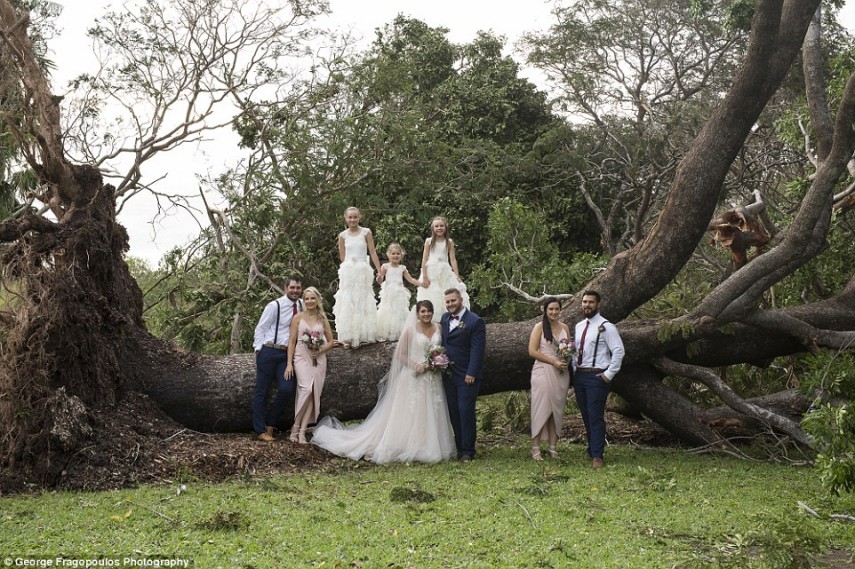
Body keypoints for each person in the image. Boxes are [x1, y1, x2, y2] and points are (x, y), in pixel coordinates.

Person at [311, 300, 457, 463]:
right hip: (413, 376)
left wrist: (438, 361)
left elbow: (441, 349)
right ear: (417, 313)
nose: (426, 314)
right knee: (412, 411)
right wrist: (416, 366)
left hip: (433, 377)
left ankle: (429, 444)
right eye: (423, 311)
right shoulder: (410, 330)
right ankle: (408, 444)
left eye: (429, 311)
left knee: (432, 409)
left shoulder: (439, 328)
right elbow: (400, 355)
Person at [572, 290, 625, 468]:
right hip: (580, 375)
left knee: (595, 416)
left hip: (597, 376)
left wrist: (609, 374)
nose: (587, 305)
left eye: (591, 302)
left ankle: (597, 456)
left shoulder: (607, 326)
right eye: (584, 302)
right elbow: (576, 351)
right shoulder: (579, 326)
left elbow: (618, 351)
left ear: (598, 305)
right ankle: (591, 448)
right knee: (586, 415)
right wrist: (573, 369)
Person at [251, 276, 303, 442]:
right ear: (285, 287)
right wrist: (259, 349)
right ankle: (260, 430)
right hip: (269, 351)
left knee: (287, 388)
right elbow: (261, 327)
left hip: (287, 355)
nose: (295, 291)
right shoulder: (275, 306)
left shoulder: (302, 305)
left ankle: (270, 424)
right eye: (292, 288)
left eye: (298, 288)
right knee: (262, 391)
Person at [285, 287, 338, 444]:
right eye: (306, 298)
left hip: (318, 358)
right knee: (306, 388)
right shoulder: (297, 318)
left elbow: (330, 341)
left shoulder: (322, 319)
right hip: (301, 356)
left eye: (312, 298)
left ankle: (302, 431)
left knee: (314, 393)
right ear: (303, 300)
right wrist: (289, 363)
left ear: (317, 300)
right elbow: (292, 342)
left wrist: (320, 350)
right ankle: (295, 426)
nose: (309, 301)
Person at [441, 287, 486, 461]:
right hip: (448, 374)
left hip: (467, 375)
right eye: (447, 302)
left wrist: (472, 372)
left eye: (453, 300)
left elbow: (478, 350)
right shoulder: (445, 319)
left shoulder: (475, 321)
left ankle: (468, 450)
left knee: (465, 411)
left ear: (461, 300)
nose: (450, 304)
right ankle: (459, 447)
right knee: (453, 412)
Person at [528, 297, 571, 461]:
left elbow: (568, 349)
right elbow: (532, 351)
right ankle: (536, 447)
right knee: (541, 408)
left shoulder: (565, 328)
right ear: (545, 311)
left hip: (561, 373)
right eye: (550, 309)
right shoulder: (539, 327)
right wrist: (553, 361)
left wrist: (566, 360)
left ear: (560, 310)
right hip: (543, 370)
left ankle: (553, 447)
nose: (554, 312)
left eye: (556, 309)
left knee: (556, 410)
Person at [332, 206, 382, 347]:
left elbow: (372, 252)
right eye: (350, 217)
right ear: (345, 218)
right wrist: (349, 266)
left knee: (362, 299)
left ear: (359, 218)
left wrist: (379, 271)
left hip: (362, 270)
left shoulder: (366, 232)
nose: (353, 219)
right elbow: (342, 257)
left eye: (355, 217)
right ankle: (348, 336)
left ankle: (363, 335)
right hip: (349, 271)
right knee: (349, 300)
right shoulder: (343, 235)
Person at [417, 216, 470, 322]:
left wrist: (457, 276)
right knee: (433, 293)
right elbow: (424, 259)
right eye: (436, 226)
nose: (439, 228)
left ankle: (449, 320)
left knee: (449, 292)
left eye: (441, 226)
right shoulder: (429, 241)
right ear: (433, 228)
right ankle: (434, 321)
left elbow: (453, 259)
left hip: (445, 271)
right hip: (431, 271)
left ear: (445, 227)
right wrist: (425, 276)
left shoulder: (449, 242)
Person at [376, 243, 424, 342]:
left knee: (399, 311)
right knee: (387, 310)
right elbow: (380, 280)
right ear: (388, 254)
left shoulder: (402, 268)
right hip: (389, 292)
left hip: (399, 292)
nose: (395, 256)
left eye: (398, 253)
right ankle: (387, 332)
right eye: (393, 253)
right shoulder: (385, 266)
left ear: (401, 255)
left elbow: (410, 279)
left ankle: (399, 332)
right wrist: (379, 278)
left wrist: (422, 284)